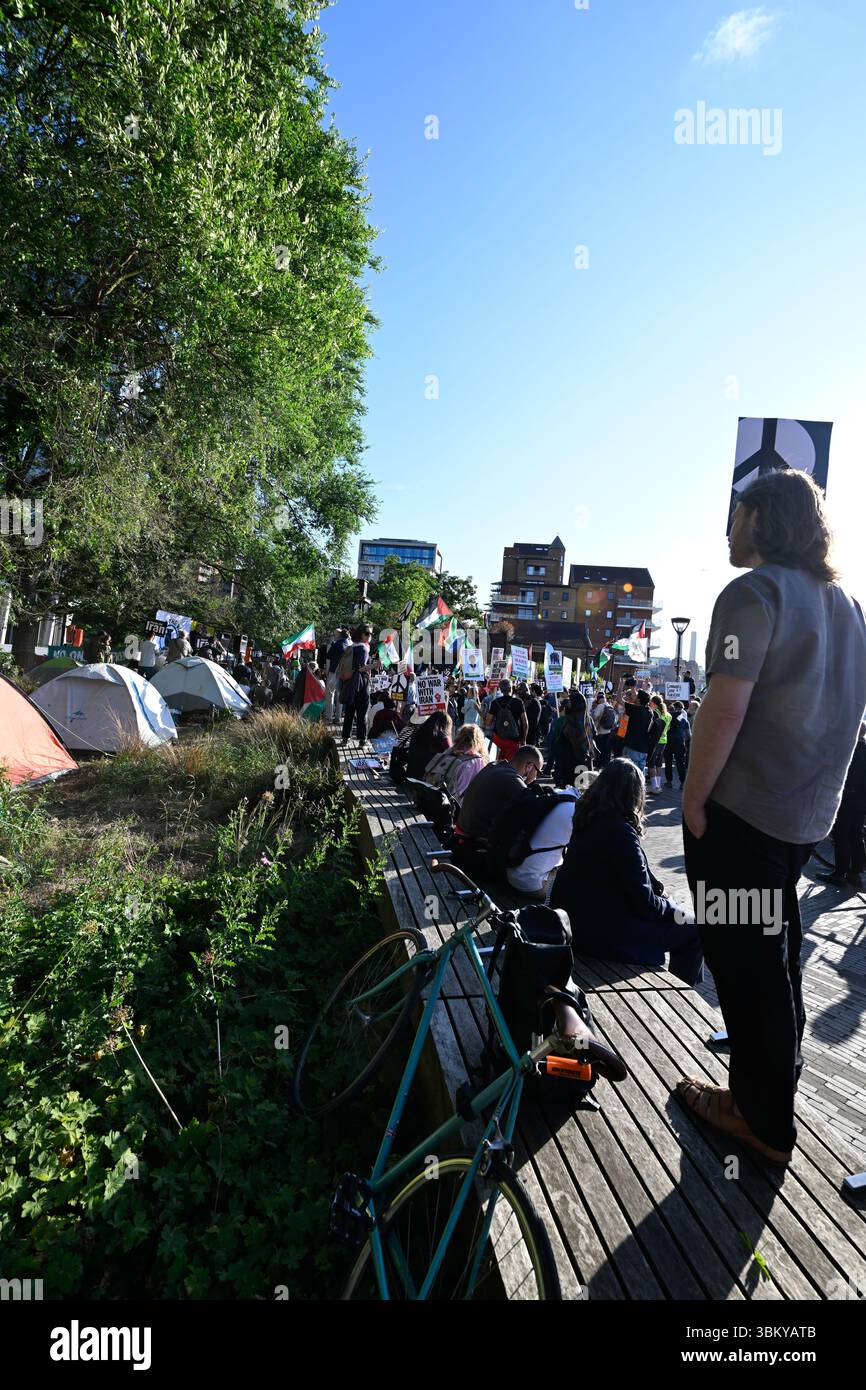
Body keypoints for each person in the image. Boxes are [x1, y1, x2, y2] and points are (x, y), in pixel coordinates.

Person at [677, 468, 866, 1165]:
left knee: (746, 966)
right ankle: (768, 1092)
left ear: (763, 518)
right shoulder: (848, 605)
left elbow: (724, 709)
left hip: (739, 817)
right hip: (801, 823)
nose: (727, 528)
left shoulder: (752, 592)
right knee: (776, 959)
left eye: (736, 513)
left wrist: (693, 802)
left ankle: (759, 1118)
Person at [550, 758, 703, 985]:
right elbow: (645, 903)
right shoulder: (620, 832)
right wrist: (674, 907)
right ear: (634, 795)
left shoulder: (587, 818)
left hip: (577, 922)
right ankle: (683, 996)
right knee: (694, 929)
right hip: (600, 934)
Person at [454, 745, 544, 847]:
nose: (535, 778)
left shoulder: (494, 765)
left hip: (461, 835)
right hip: (476, 845)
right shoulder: (514, 782)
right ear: (529, 766)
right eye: (538, 772)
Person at [816, 723, 866, 889]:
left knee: (841, 836)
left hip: (847, 800)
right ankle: (855, 874)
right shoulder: (865, 749)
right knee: (857, 836)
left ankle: (840, 873)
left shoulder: (849, 751)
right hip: (861, 802)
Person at [425, 723, 489, 804]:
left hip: (436, 798)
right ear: (478, 741)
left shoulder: (449, 751)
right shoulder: (477, 762)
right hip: (457, 806)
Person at [551, 691, 594, 789]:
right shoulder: (588, 719)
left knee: (569, 790)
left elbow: (559, 739)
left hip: (570, 762)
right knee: (581, 790)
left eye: (570, 701)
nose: (568, 703)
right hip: (584, 762)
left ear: (576, 704)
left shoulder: (568, 720)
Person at [340, 624, 373, 746]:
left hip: (350, 683)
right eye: (368, 634)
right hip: (361, 683)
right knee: (362, 712)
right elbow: (361, 668)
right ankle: (362, 740)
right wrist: (375, 665)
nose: (370, 637)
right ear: (363, 635)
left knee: (349, 711)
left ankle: (345, 738)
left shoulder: (351, 647)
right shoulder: (363, 648)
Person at [485, 678, 528, 764]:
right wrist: (524, 740)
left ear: (500, 689)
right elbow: (525, 723)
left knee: (497, 763)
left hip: (498, 738)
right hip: (513, 739)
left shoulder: (495, 702)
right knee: (511, 765)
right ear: (511, 688)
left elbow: (488, 723)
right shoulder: (518, 702)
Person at [406, 710, 452, 781]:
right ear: (446, 725)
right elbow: (451, 755)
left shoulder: (417, 732)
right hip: (429, 778)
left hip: (411, 774)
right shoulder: (443, 738)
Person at [621, 688, 653, 774]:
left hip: (632, 748)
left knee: (629, 776)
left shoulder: (635, 710)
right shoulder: (650, 711)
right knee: (639, 778)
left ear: (638, 700)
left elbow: (618, 700)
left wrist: (621, 685)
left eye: (636, 696)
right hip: (643, 749)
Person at [325, 628, 351, 723]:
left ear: (340, 635)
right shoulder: (350, 645)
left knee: (330, 695)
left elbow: (328, 656)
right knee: (340, 695)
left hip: (334, 671)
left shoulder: (336, 644)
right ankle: (338, 717)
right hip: (344, 673)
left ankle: (328, 717)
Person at [646, 695, 671, 794]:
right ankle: (658, 785)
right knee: (659, 763)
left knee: (651, 763)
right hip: (664, 740)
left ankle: (654, 787)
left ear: (654, 703)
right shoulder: (668, 715)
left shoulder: (655, 713)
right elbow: (668, 728)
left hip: (655, 741)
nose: (649, 704)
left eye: (651, 702)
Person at [665, 701, 690, 788]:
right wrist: (685, 743)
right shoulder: (684, 720)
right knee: (680, 763)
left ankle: (669, 781)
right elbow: (688, 734)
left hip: (668, 742)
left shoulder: (668, 717)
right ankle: (682, 782)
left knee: (668, 762)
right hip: (679, 742)